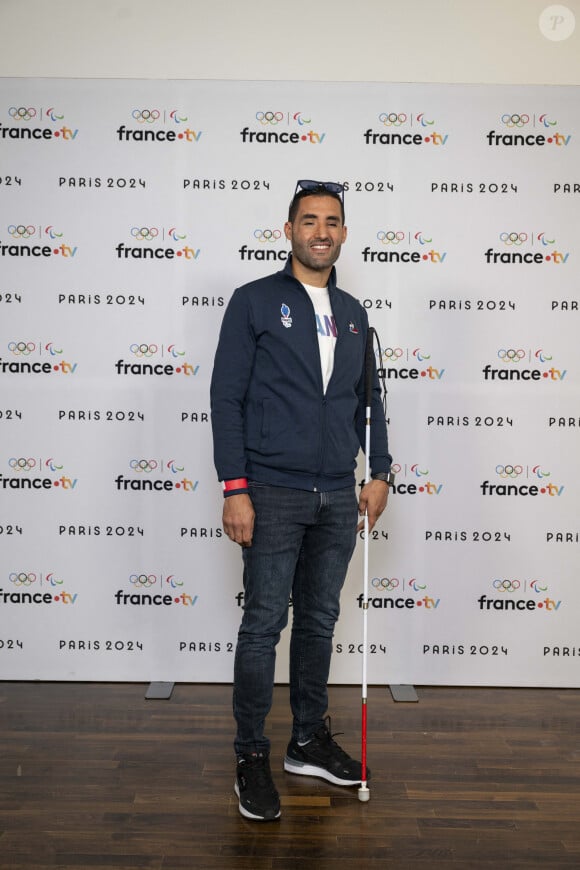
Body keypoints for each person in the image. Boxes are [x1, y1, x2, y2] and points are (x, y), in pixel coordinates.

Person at [210, 179, 392, 821]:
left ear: (344, 233)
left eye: (332, 221)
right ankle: (251, 756)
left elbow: (370, 402)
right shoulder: (254, 302)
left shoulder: (354, 313)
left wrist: (381, 472)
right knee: (263, 626)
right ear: (288, 230)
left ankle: (308, 742)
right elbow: (226, 398)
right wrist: (236, 487)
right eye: (309, 219)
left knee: (319, 622)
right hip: (273, 490)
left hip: (337, 494)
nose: (321, 230)